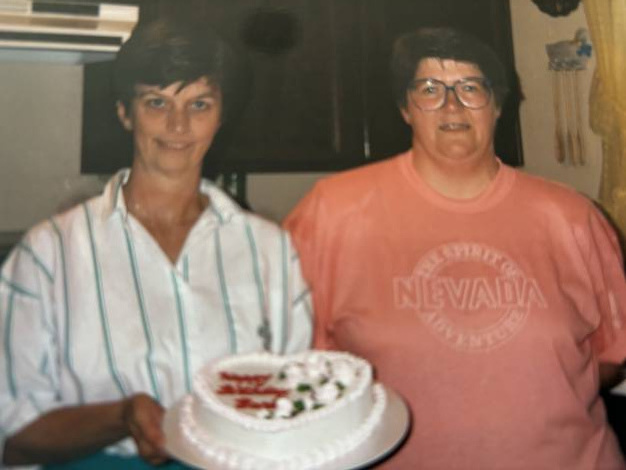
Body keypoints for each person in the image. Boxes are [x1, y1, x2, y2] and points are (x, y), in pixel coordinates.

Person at [284, 27, 626, 469]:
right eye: (429, 89)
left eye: (471, 88)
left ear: (498, 105)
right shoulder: (332, 212)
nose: (452, 106)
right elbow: (293, 363)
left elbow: (612, 355)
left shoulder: (573, 217)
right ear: (405, 108)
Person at [0, 19, 312, 469]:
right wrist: (120, 418)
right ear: (125, 113)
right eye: (156, 102)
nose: (178, 125)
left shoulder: (270, 251)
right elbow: (12, 437)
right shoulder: (50, 253)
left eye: (199, 104)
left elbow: (296, 403)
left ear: (221, 116)